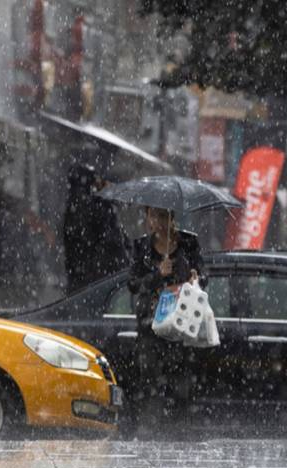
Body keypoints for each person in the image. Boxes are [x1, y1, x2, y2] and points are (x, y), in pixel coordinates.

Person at [123, 206, 204, 438]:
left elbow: (204, 275)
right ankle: (150, 431)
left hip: (181, 323)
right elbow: (133, 285)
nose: (157, 221)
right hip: (151, 325)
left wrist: (196, 277)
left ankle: (179, 431)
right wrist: (158, 274)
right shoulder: (141, 247)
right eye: (152, 216)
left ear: (172, 217)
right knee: (149, 379)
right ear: (147, 218)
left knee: (181, 381)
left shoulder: (189, 243)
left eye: (162, 215)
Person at [62, 164, 130, 291]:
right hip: (101, 280)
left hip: (84, 281)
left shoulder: (74, 206)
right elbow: (112, 243)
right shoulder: (95, 207)